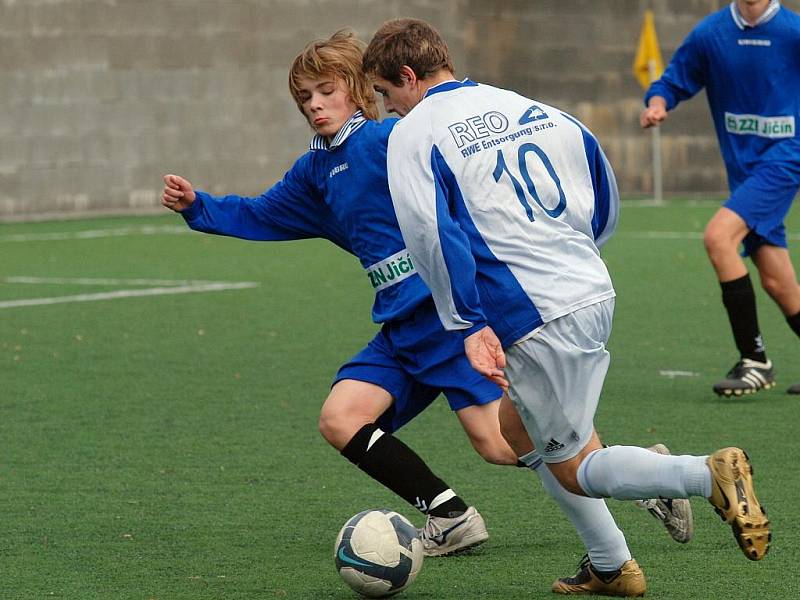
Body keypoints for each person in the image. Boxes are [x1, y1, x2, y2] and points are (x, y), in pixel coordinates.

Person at [161, 30, 689, 563]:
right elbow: (260, 213)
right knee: (341, 418)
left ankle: (645, 477)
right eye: (304, 98)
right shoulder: (315, 171)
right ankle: (450, 514)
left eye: (326, 91)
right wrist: (197, 206)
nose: (315, 105)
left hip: (448, 322)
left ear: (358, 91)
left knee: (506, 442)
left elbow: (461, 191)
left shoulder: (394, 138)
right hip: (400, 328)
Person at [363, 17, 771, 596]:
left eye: (385, 93)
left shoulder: (414, 133)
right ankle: (611, 566)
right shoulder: (525, 106)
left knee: (575, 467)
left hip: (532, 312)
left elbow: (430, 233)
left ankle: (704, 475)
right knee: (517, 430)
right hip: (588, 286)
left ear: (407, 76)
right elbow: (599, 181)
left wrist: (467, 322)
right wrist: (579, 258)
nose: (387, 109)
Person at [640, 0, 800, 397]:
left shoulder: (793, 31)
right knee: (780, 283)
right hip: (743, 170)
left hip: (786, 158)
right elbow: (672, 80)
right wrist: (658, 104)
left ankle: (755, 360)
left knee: (718, 237)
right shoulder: (711, 33)